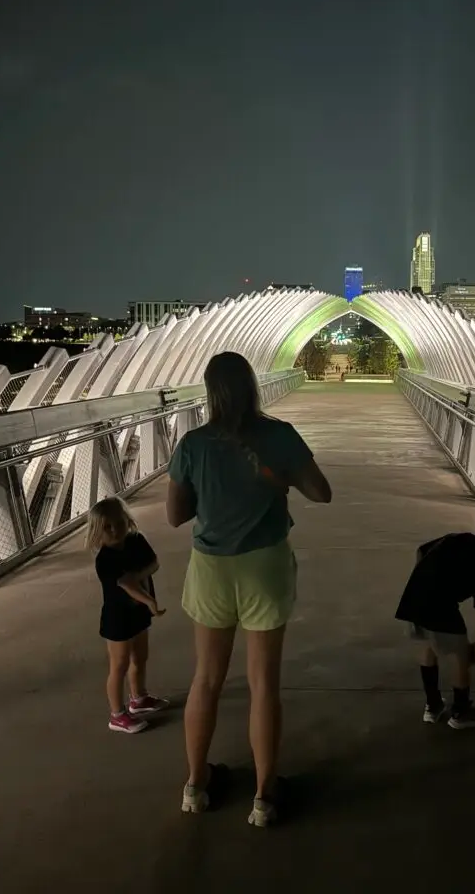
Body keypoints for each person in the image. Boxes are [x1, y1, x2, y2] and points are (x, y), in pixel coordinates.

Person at [167, 351, 332, 826]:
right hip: (265, 566)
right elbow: (321, 493)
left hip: (212, 568)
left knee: (207, 679)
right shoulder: (279, 435)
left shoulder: (193, 444)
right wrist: (276, 481)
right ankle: (264, 795)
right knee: (263, 684)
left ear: (209, 390)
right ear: (253, 386)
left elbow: (176, 515)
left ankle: (196, 785)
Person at [395, 501, 475, 730]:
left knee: (429, 645)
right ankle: (461, 712)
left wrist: (424, 576)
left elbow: (421, 550)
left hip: (415, 597)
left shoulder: (457, 538)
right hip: (440, 607)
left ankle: (433, 706)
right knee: (461, 658)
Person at [88, 497, 169, 734]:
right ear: (97, 532)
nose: (115, 530)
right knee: (119, 664)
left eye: (119, 523)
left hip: (137, 613)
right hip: (118, 619)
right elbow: (126, 584)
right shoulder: (105, 559)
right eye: (107, 527)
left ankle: (139, 698)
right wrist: (150, 600)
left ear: (127, 520)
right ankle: (117, 714)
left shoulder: (136, 540)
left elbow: (153, 564)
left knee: (140, 657)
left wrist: (138, 578)